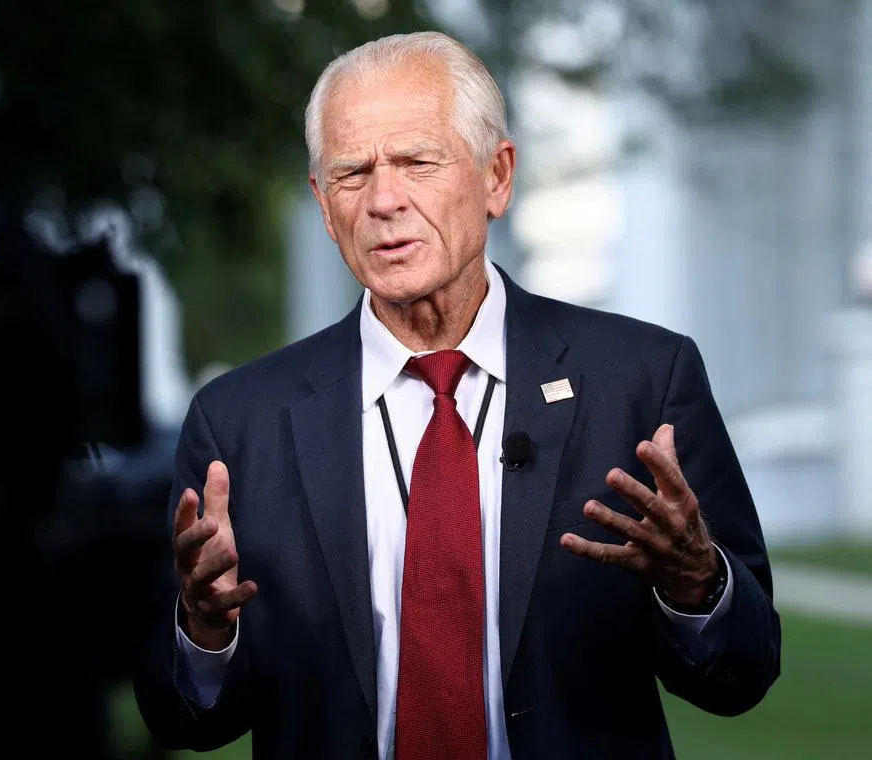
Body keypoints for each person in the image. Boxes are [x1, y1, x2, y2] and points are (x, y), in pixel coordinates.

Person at [134, 31, 780, 760]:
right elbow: (183, 719)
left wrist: (698, 584)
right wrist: (205, 630)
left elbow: (743, 674)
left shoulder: (640, 381)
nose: (384, 200)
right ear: (323, 203)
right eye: (352, 173)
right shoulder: (238, 425)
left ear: (496, 177)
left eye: (416, 162)